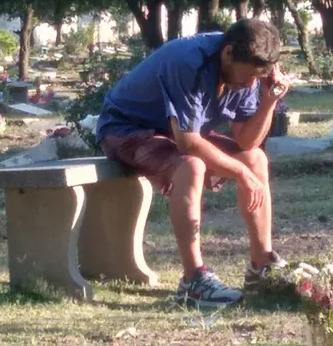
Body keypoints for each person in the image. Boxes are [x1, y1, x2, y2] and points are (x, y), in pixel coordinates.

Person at [95, 19, 291, 309]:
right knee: (191, 166)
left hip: (173, 133)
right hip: (126, 130)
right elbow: (188, 143)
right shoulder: (190, 61)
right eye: (249, 77)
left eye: (257, 77)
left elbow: (248, 142)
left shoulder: (249, 67)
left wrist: (269, 102)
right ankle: (193, 281)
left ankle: (261, 267)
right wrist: (240, 174)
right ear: (227, 54)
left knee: (256, 159)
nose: (251, 84)